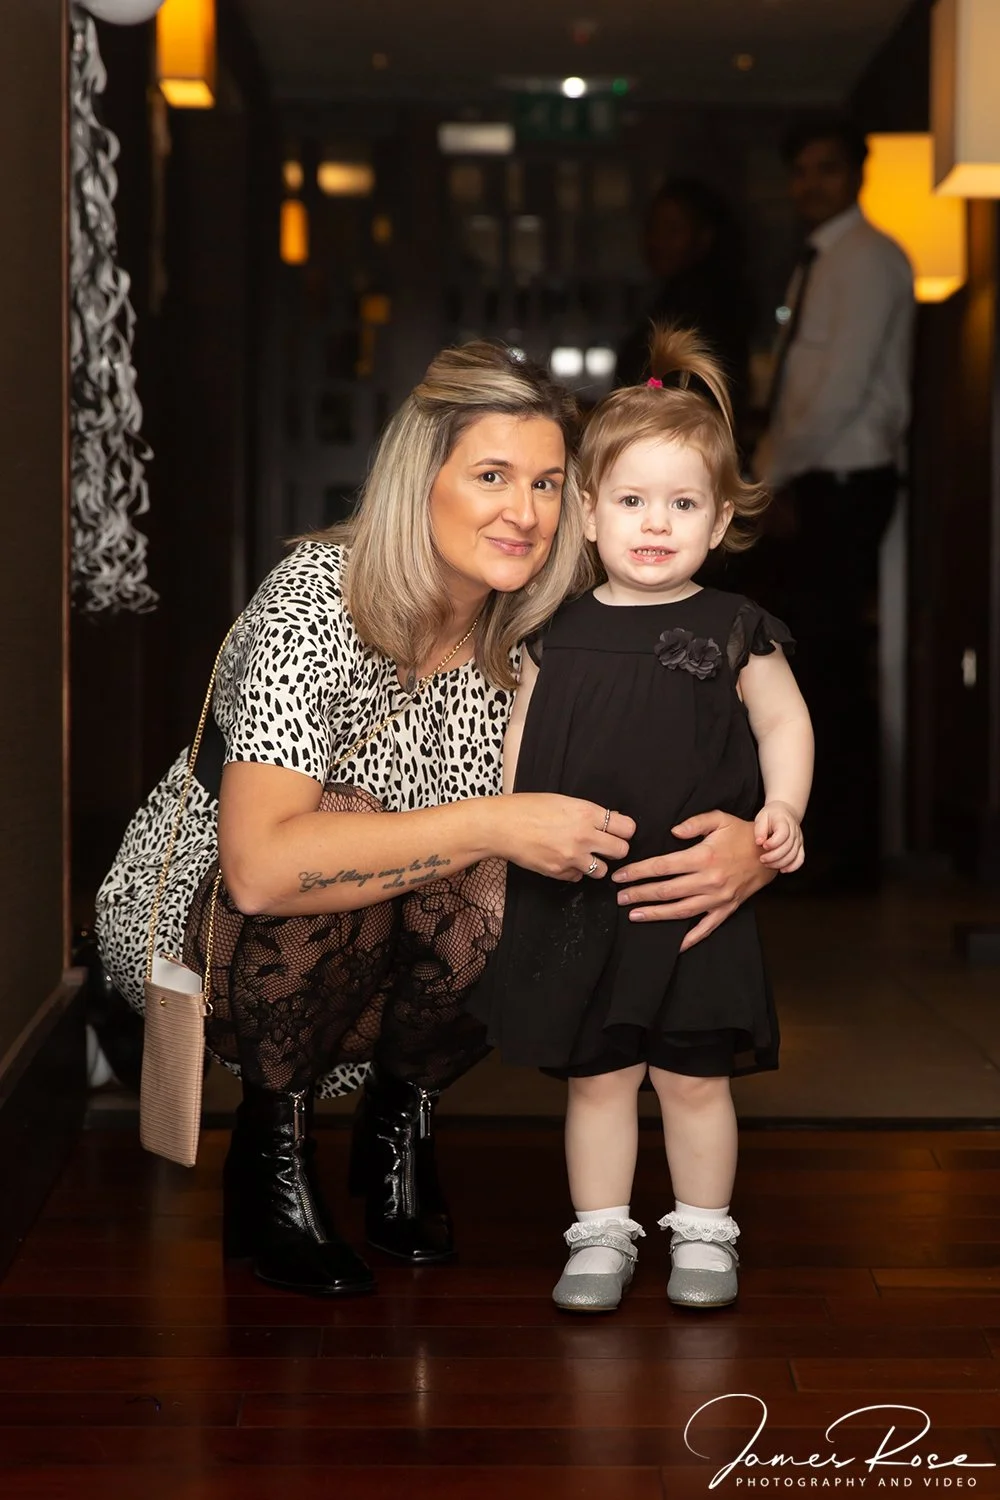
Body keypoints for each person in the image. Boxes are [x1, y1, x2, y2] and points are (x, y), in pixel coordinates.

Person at [96, 340, 777, 1301]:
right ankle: (273, 1145)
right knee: (368, 825)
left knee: (539, 875)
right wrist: (494, 825)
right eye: (492, 476)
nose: (524, 512)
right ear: (424, 479)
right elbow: (260, 870)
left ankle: (398, 1118)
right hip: (226, 932)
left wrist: (756, 842)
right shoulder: (316, 600)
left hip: (412, 928)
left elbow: (689, 752)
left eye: (547, 483)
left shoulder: (554, 620)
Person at [470, 328, 813, 1313]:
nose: (655, 524)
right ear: (587, 512)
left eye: (682, 504)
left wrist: (781, 809)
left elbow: (785, 724)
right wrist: (512, 834)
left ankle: (703, 1231)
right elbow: (520, 745)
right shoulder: (553, 632)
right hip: (583, 897)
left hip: (697, 901)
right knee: (601, 1078)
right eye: (630, 502)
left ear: (720, 521)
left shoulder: (734, 627)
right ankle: (599, 1236)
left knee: (695, 1078)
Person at [753, 115, 914, 891]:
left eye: (827, 168)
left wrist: (767, 478)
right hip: (813, 476)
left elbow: (839, 391)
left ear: (857, 174)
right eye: (801, 170)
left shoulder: (870, 257)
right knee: (812, 663)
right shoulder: (820, 257)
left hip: (842, 479)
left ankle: (844, 857)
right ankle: (822, 849)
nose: (810, 184)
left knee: (830, 667)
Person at [615, 178, 753, 428]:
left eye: (672, 230)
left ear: (704, 238)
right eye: (653, 228)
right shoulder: (671, 300)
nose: (658, 241)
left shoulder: (706, 308)